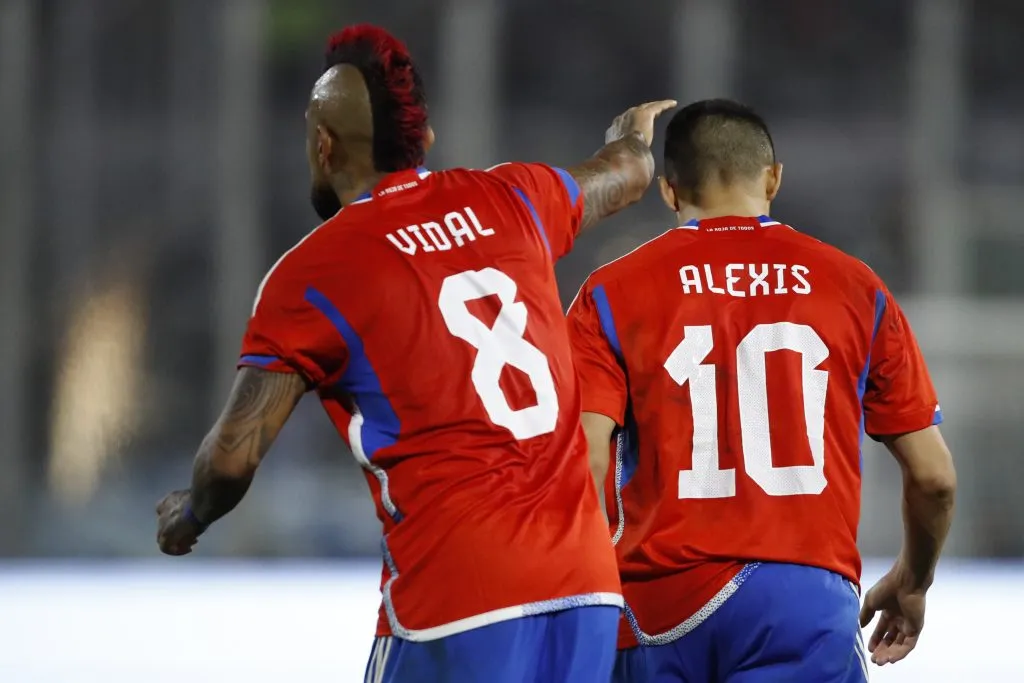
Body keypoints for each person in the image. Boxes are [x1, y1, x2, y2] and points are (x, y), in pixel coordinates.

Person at [154, 23, 675, 683]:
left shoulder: (313, 274)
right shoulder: (514, 198)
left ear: (321, 146)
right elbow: (623, 176)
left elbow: (230, 460)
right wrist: (631, 137)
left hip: (455, 597)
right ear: (423, 142)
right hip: (588, 591)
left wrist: (189, 513)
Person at [566, 99, 957, 683]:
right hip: (803, 603)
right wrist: (913, 578)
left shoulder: (610, 292)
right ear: (774, 178)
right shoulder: (855, 287)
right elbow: (934, 477)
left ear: (671, 192)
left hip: (658, 605)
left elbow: (584, 459)